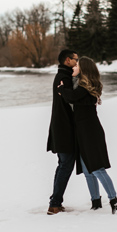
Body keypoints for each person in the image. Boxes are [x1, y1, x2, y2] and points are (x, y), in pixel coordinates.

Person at [57, 56, 117, 214]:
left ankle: (115, 202)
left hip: (90, 132)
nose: (73, 68)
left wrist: (61, 89)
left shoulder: (85, 88)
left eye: (76, 66)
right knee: (88, 171)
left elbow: (71, 97)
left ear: (84, 69)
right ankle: (95, 202)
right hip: (83, 132)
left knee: (96, 168)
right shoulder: (82, 85)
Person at [46, 49, 79, 215]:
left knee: (63, 166)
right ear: (68, 60)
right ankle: (55, 204)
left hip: (62, 128)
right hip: (63, 130)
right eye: (75, 60)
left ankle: (55, 201)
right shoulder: (63, 78)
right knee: (65, 165)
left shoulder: (63, 76)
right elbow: (71, 99)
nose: (77, 62)